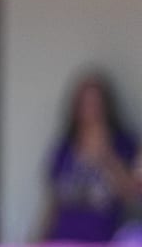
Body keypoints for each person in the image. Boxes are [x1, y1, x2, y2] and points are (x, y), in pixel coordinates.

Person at [40, 71, 138, 242]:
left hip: (104, 238)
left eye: (96, 102)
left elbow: (132, 193)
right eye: (85, 102)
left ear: (107, 105)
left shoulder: (123, 143)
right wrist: (38, 239)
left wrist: (106, 156)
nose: (91, 109)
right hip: (63, 239)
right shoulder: (65, 148)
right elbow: (54, 203)